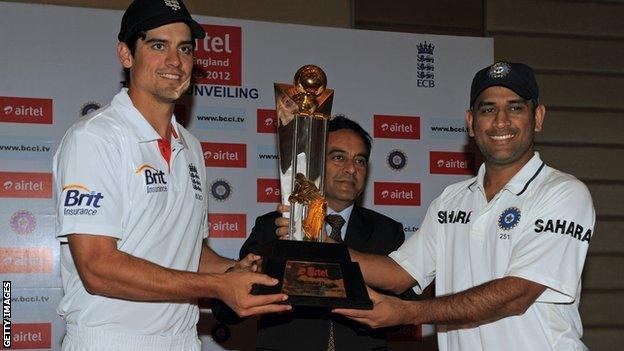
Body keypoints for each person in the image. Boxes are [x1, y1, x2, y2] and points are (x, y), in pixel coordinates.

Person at [52, 1, 289, 349]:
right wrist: (216, 287)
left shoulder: (190, 145)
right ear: (126, 54)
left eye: (185, 49)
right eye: (158, 45)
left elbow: (187, 251)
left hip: (182, 340)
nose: (175, 62)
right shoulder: (95, 137)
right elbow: (97, 267)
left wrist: (236, 271)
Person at [333, 62, 595, 351]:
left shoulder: (562, 193)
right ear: (470, 122)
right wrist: (318, 242)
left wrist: (409, 312)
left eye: (515, 108)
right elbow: (399, 273)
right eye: (488, 109)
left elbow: (516, 296)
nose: (501, 121)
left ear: (538, 118)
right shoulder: (451, 199)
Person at [238, 116, 407, 350]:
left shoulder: (386, 232)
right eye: (339, 157)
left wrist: (329, 250)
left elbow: (405, 311)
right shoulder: (276, 225)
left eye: (360, 160)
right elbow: (228, 308)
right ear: (315, 164)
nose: (351, 169)